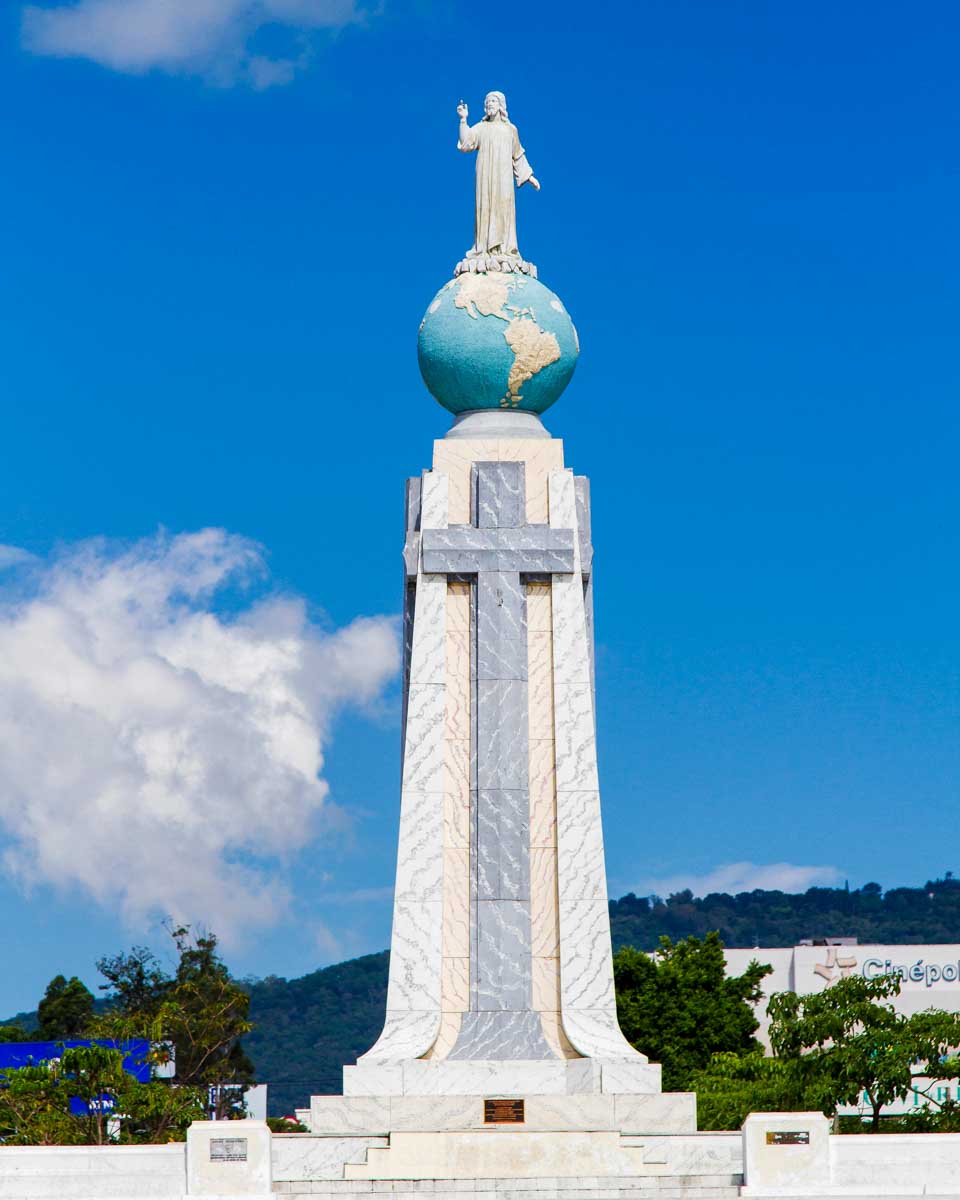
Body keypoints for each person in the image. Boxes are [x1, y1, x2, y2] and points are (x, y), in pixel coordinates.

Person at [457, 92, 539, 262]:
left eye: (493, 101)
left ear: (501, 105)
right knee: (485, 206)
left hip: (504, 177)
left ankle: (505, 248)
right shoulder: (481, 128)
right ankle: (484, 248)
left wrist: (529, 176)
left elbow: (518, 155)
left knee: (503, 207)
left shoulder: (510, 130)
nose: (490, 104)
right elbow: (466, 143)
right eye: (487, 102)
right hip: (485, 175)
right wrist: (463, 119)